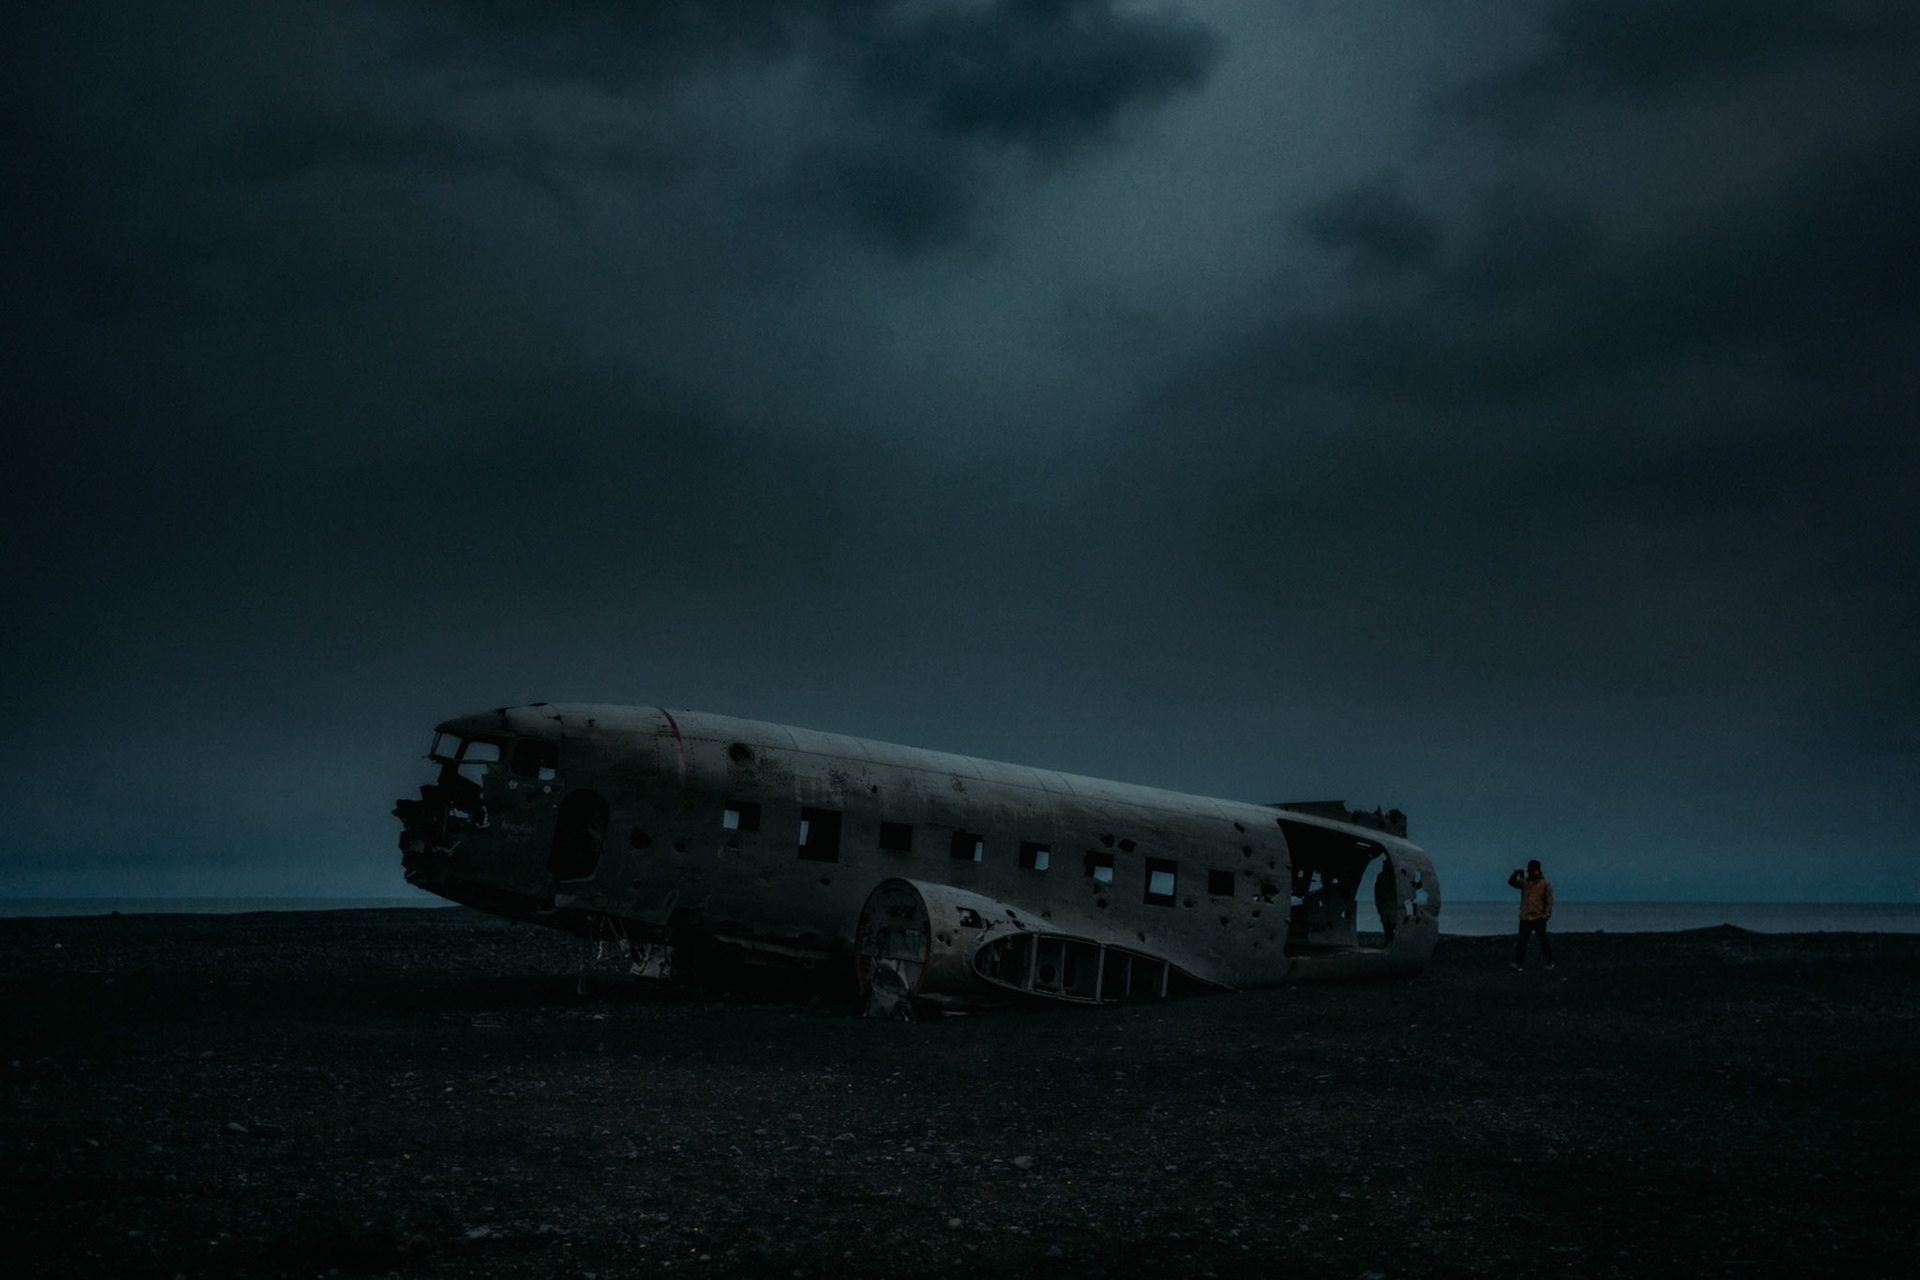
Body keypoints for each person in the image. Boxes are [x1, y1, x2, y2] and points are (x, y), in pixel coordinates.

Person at [1508, 859, 1554, 971]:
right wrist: (1515, 873)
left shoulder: (1545, 884)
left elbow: (1549, 901)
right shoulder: (1525, 883)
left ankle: (1549, 962)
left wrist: (1547, 914)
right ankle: (1519, 964)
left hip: (1538, 917)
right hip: (1525, 917)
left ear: (1538, 871)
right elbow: (1512, 882)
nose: (1530, 873)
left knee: (1543, 941)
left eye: (1532, 871)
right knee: (1522, 942)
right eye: (1529, 871)